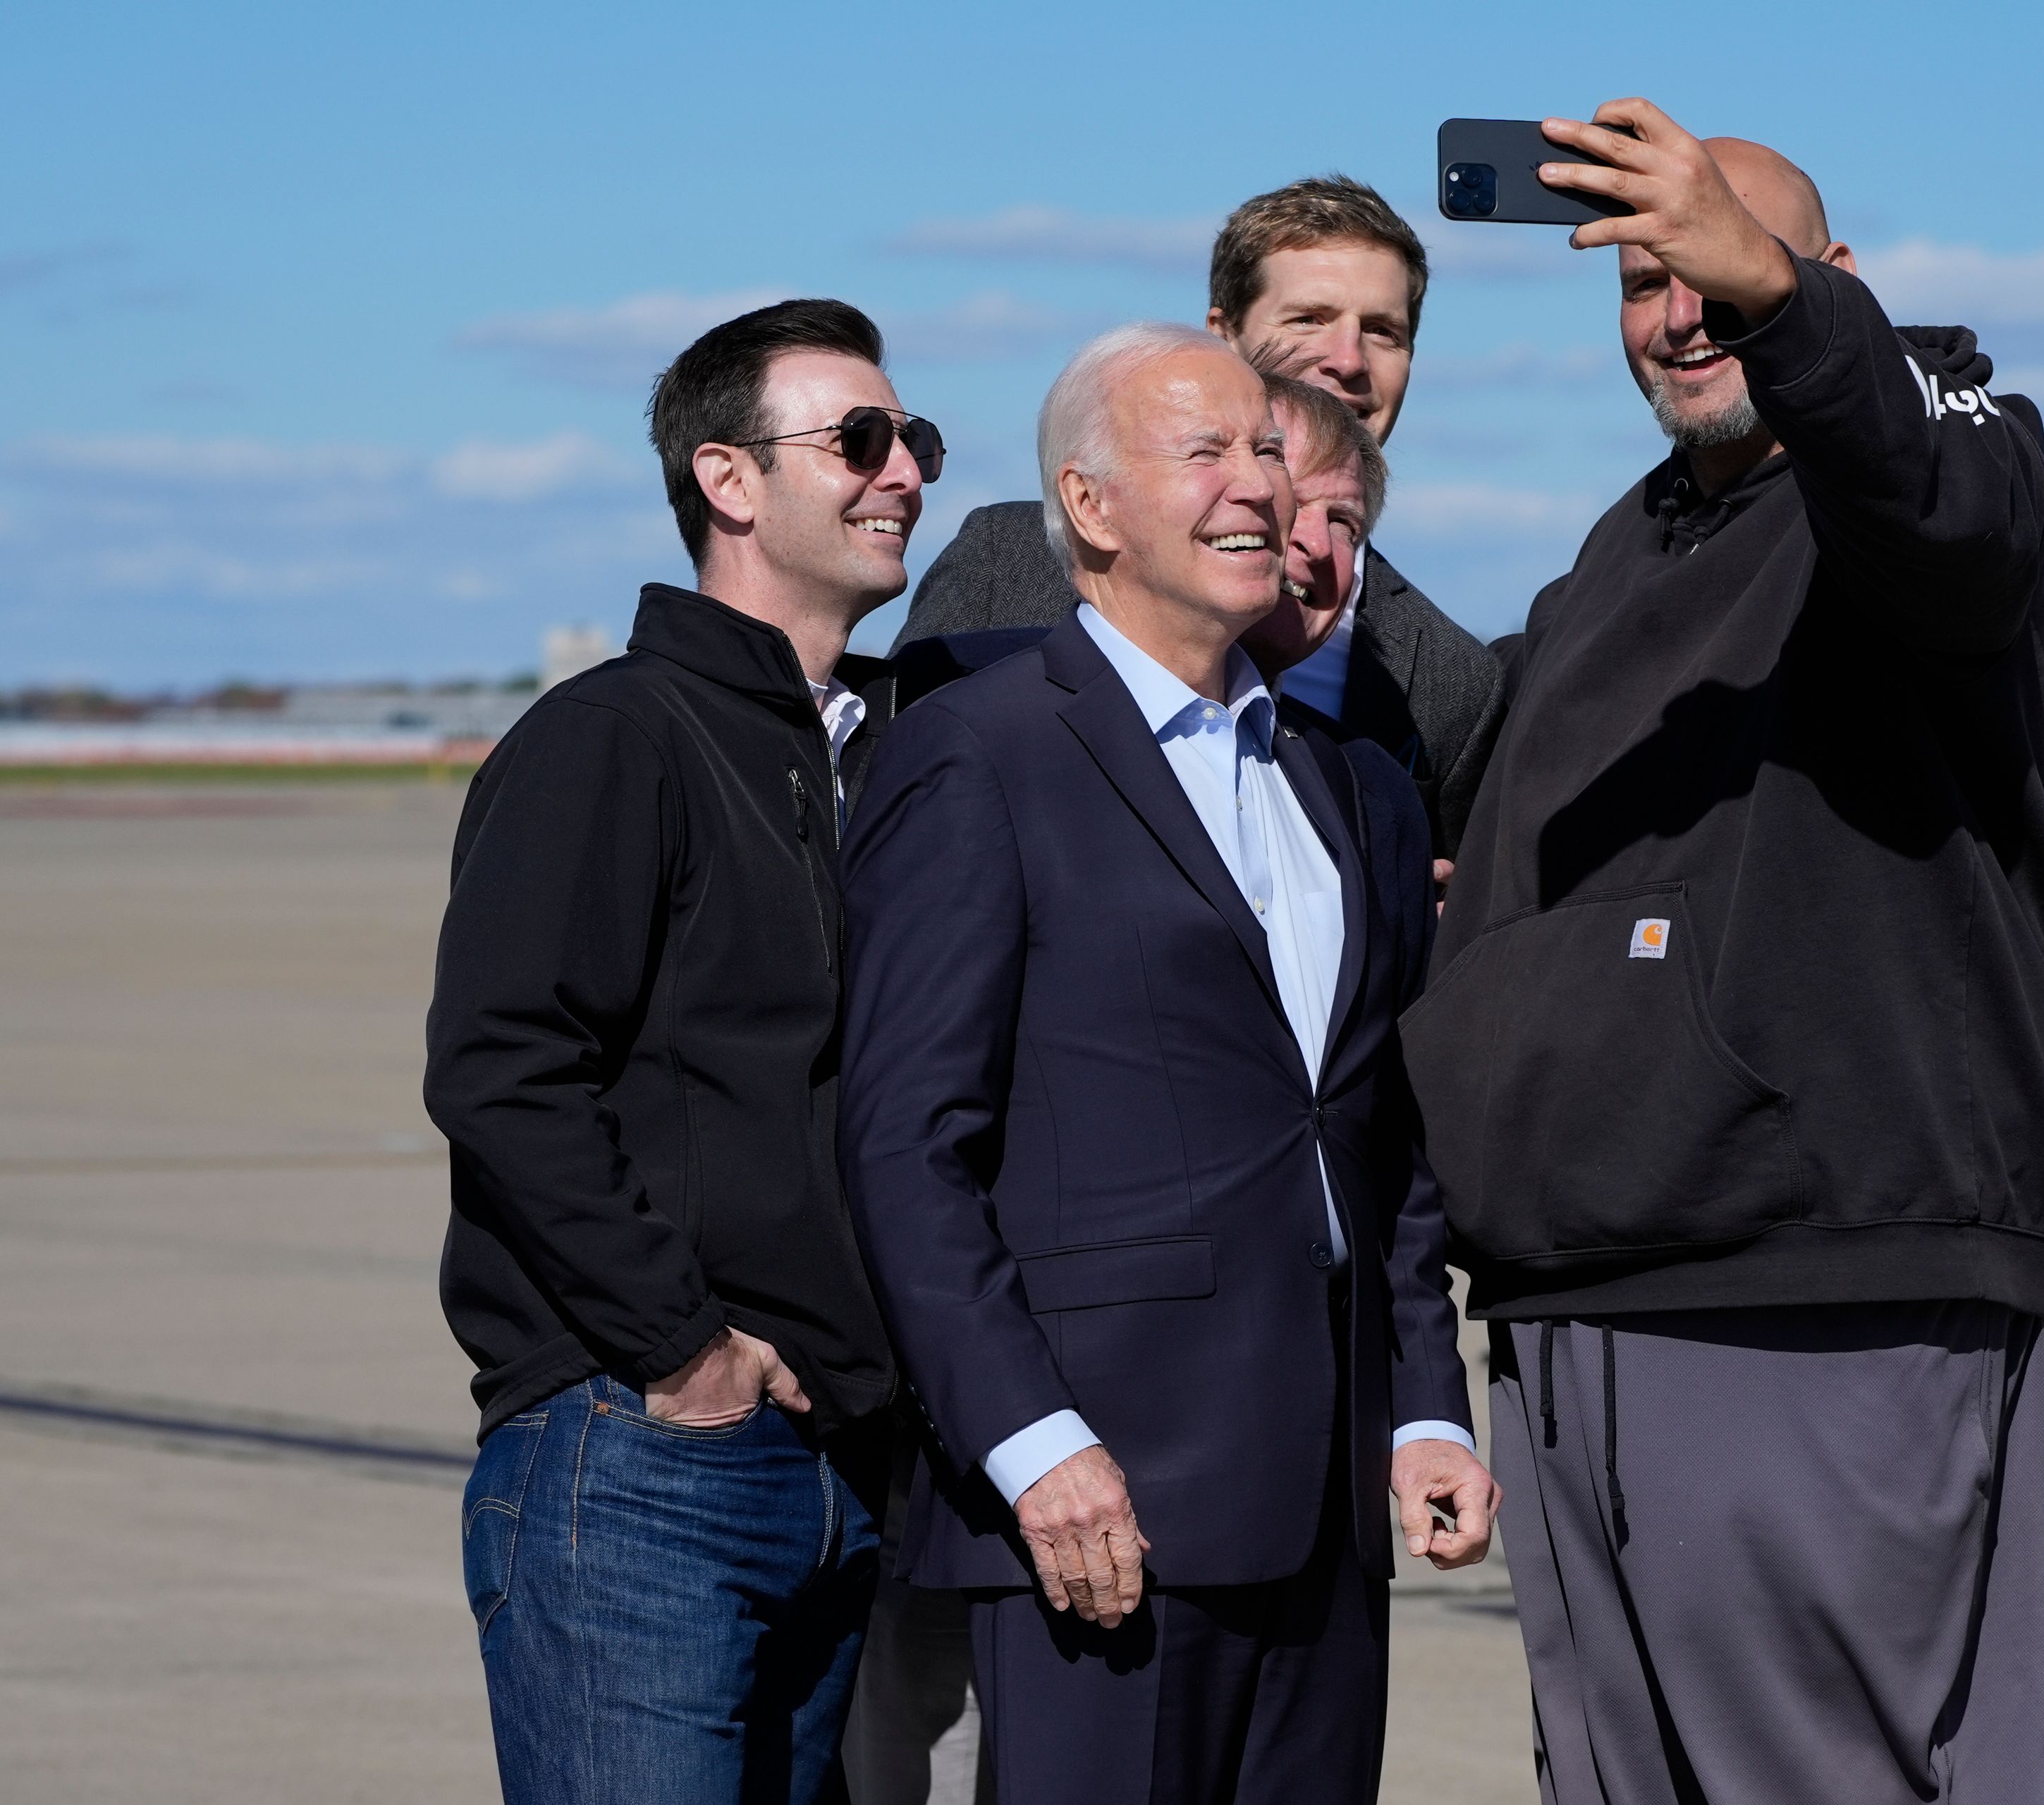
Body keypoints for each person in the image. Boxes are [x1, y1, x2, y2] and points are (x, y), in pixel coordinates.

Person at [1404, 101, 2044, 1802]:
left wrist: (1779, 303)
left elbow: (1934, 496)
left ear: (1823, 279)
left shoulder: (1947, 454)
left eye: (1708, 256)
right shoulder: (1613, 554)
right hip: (1585, 1298)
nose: (1677, 306)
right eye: (1640, 274)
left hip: (1808, 1288)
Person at [838, 323, 1495, 1805]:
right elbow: (907, 1143)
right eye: (1204, 452)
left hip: (1323, 1509)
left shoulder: (1363, 792)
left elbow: (1375, 1133)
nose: (1256, 485)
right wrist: (1030, 1439)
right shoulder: (979, 753)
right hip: (1097, 1500)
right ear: (1089, 504)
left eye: (1267, 449)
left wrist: (1423, 1401)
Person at [424, 298, 942, 1803]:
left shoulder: (889, 746)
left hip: (838, 1459)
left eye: (913, 437)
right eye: (857, 438)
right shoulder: (617, 734)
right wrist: (680, 1349)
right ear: (728, 480)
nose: (900, 467)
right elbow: (503, 1065)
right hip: (642, 1451)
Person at [888, 176, 1502, 857]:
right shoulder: (1009, 557)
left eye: (1384, 331)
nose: (1348, 359)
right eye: (1309, 318)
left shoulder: (1452, 680)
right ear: (1222, 335)